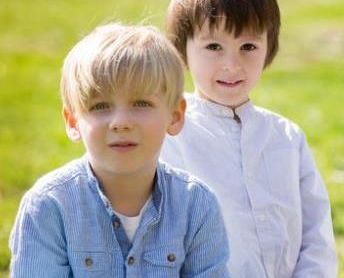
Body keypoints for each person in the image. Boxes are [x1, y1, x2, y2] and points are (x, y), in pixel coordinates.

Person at [161, 0, 337, 278]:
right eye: (214, 46)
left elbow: (317, 235)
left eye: (248, 46)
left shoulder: (287, 138)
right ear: (182, 51)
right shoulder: (170, 136)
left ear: (269, 49)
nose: (232, 64)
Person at [9, 23, 229, 278]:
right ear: (72, 122)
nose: (121, 122)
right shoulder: (49, 206)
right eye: (101, 106)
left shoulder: (197, 206)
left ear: (175, 115)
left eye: (141, 103)